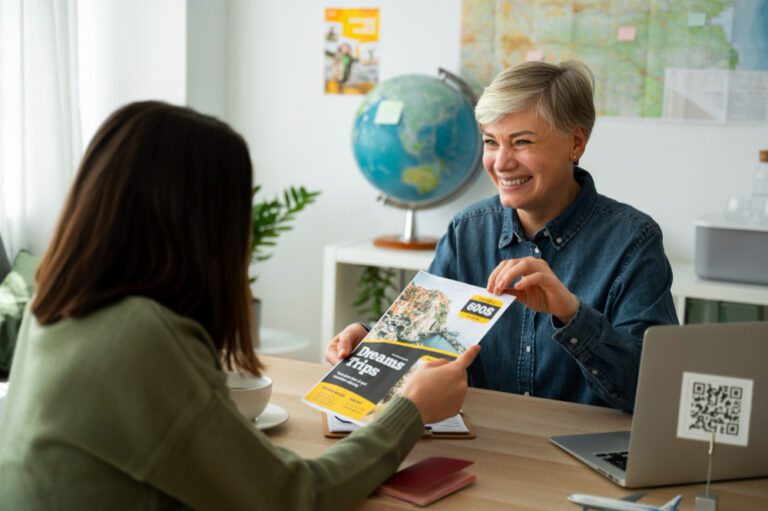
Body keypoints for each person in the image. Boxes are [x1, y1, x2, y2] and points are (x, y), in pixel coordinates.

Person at [0, 101, 480, 509]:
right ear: (200, 222)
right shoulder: (138, 338)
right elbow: (296, 496)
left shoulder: (58, 302)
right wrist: (411, 409)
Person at [326, 61, 678, 413]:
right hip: (483, 438)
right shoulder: (467, 231)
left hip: (578, 445)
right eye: (491, 142)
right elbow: (426, 337)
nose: (501, 163)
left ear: (576, 143)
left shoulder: (633, 242)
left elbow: (653, 391)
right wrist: (369, 340)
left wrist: (572, 316)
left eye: (522, 142)